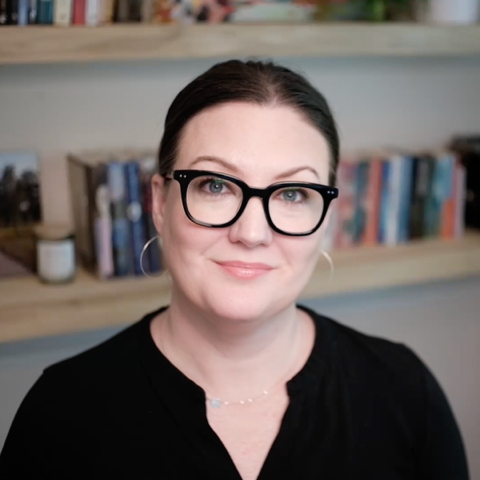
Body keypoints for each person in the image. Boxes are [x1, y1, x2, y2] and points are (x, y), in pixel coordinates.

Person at [0, 59, 469, 480]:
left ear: (325, 217)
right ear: (160, 203)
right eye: (215, 185)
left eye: (291, 195)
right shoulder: (60, 413)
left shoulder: (406, 393)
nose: (252, 232)